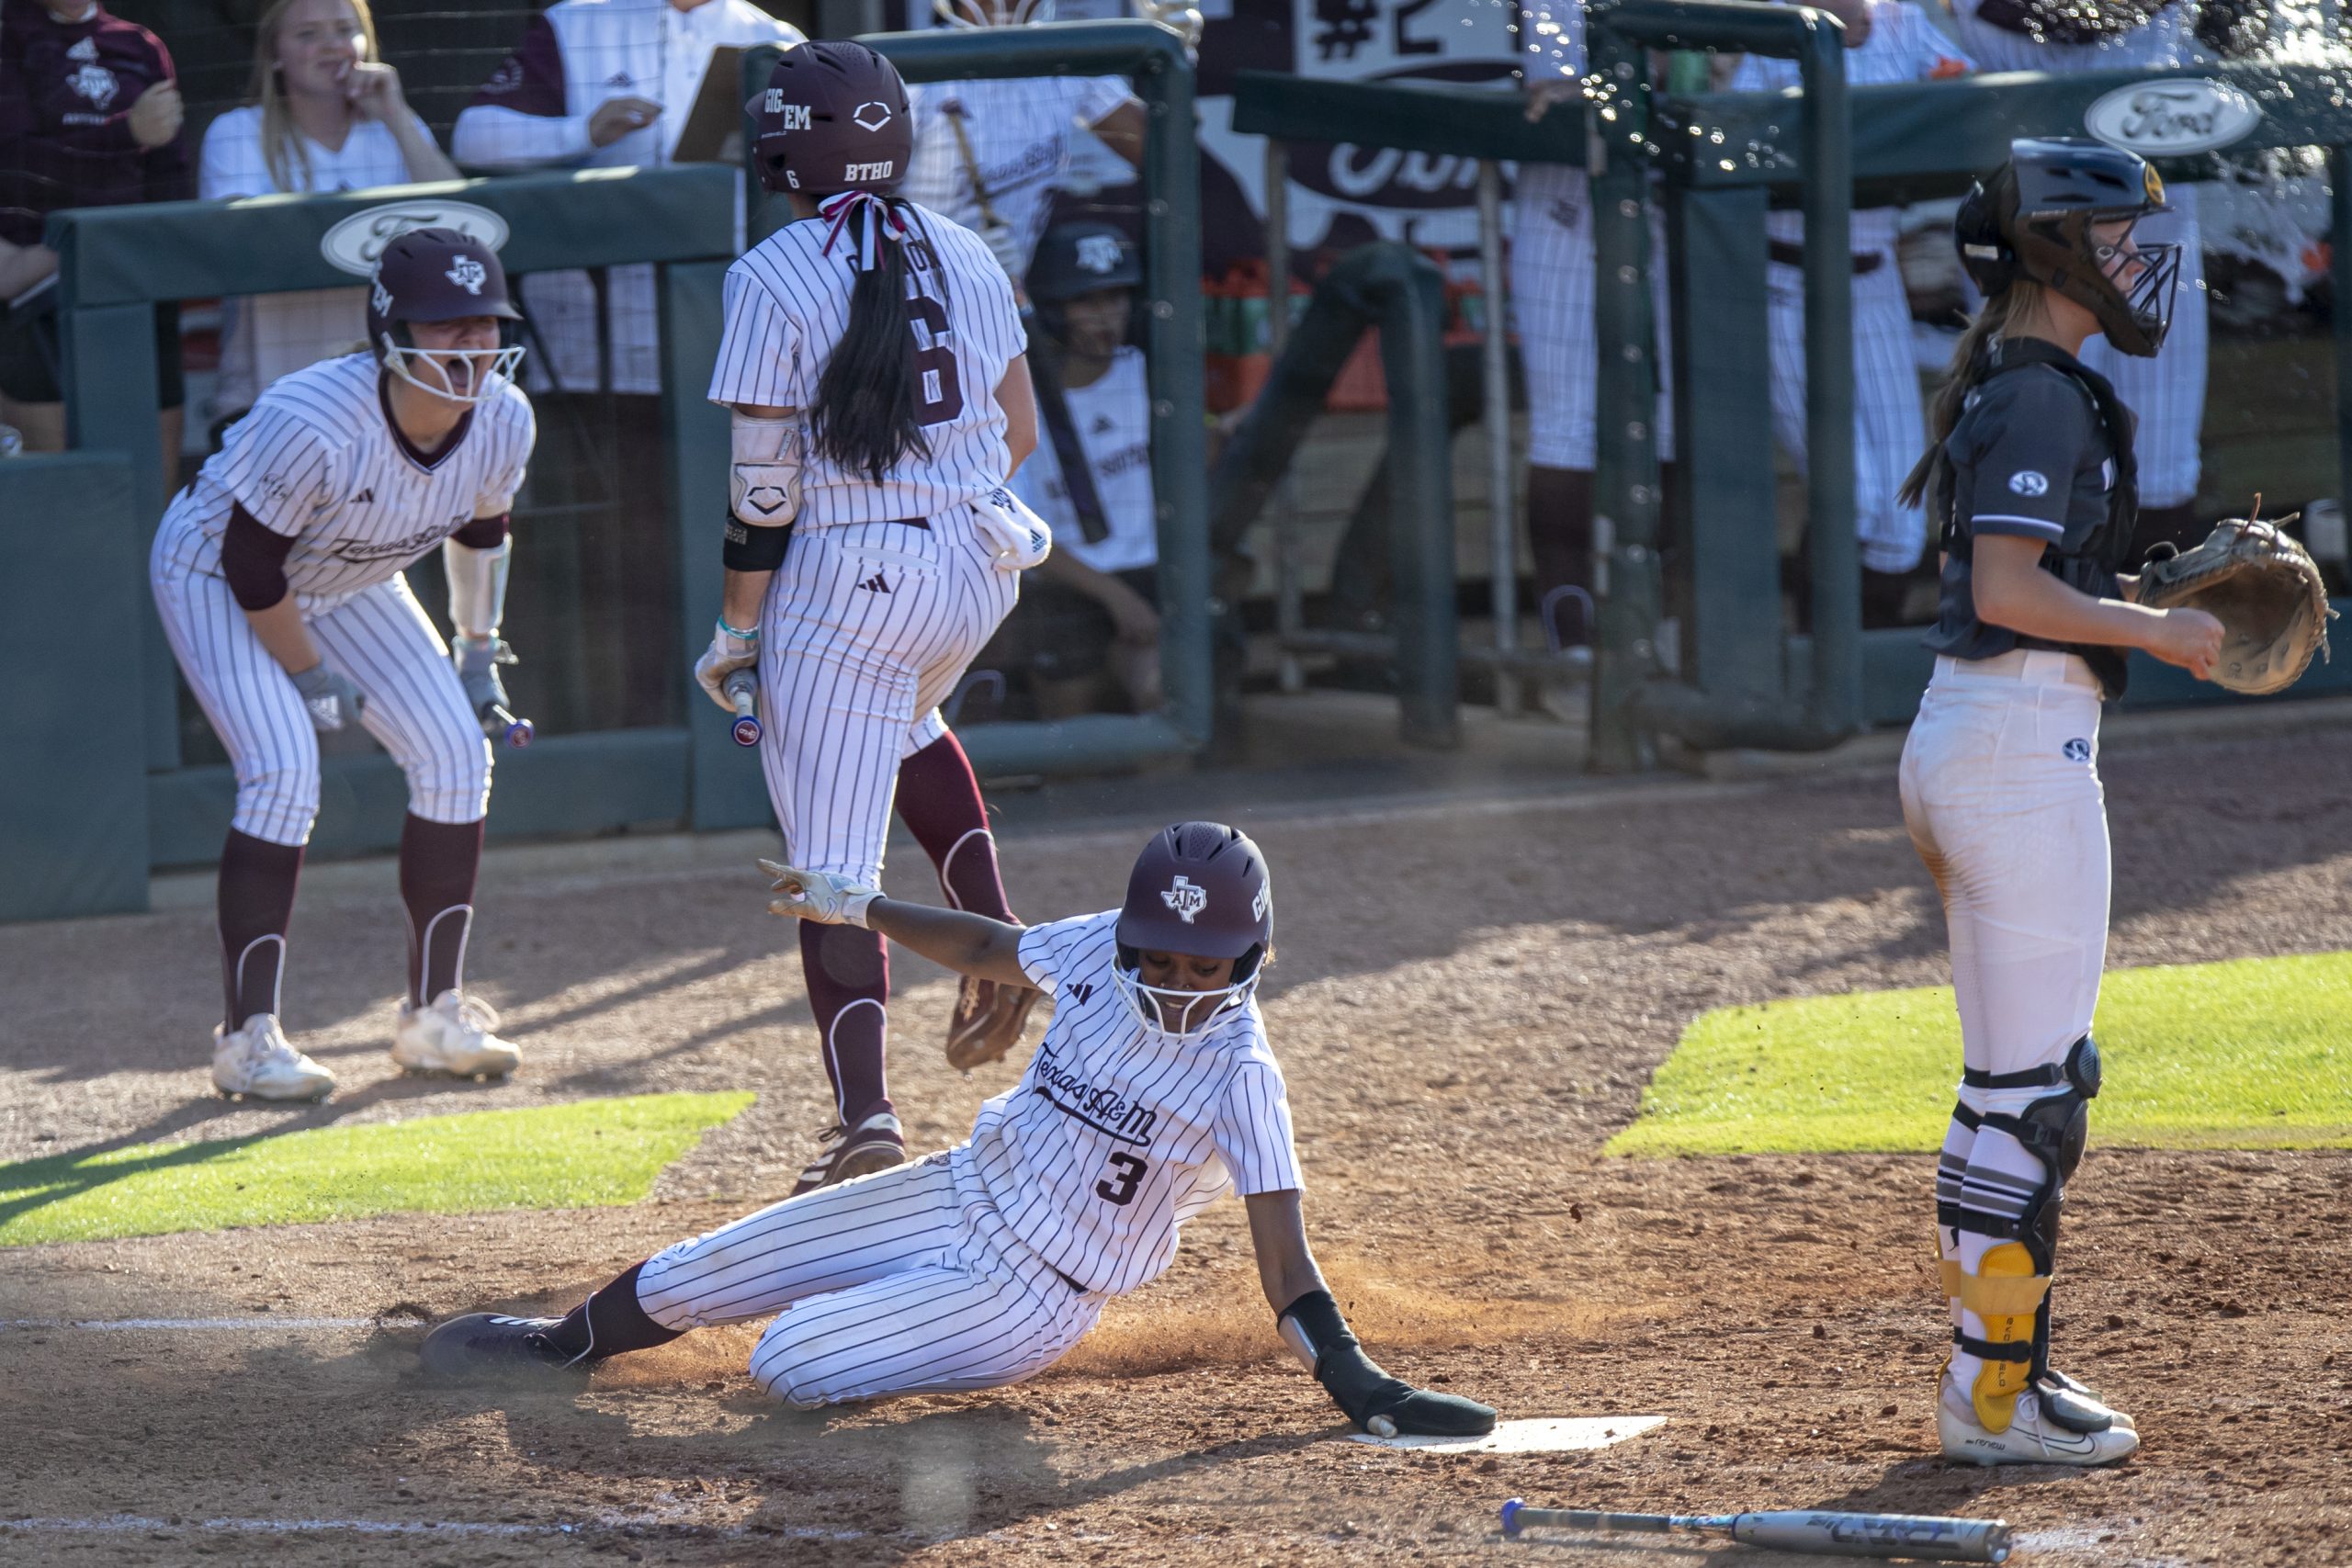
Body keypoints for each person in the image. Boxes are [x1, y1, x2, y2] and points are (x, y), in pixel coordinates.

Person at [418, 823, 1498, 1444]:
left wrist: (1363, 1386)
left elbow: (1286, 1267)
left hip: (1032, 1294)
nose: (1174, 980)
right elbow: (990, 942)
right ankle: (562, 1347)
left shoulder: (1241, 1078)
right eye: (1158, 957)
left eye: (1200, 964)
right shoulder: (1091, 953)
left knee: (789, 1358)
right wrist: (858, 904)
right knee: (695, 1274)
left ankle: (906, 1340)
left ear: (1249, 957)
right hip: (950, 1192)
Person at [1894, 138, 2222, 1466]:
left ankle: (1991, 1378)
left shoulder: (2023, 383)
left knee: (2003, 1090)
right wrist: (2159, 629)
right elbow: (2009, 590)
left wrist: (2134, 597)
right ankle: (1995, 1397)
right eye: (2121, 235)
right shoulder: (2042, 394)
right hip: (2018, 754)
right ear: (2059, 249)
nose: (2144, 261)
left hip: (1975, 743)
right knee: (2038, 1096)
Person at [695, 42, 1056, 1193]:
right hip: (977, 562)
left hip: (852, 579)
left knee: (832, 874)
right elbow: (1021, 438)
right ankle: (994, 938)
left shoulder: (772, 270)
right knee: (906, 715)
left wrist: (737, 627)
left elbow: (764, 487)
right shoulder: (964, 248)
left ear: (784, 146)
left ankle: (866, 1124)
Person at [148, 227, 537, 1100]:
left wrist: (477, 655)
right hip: (218, 570)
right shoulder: (313, 420)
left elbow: (482, 534)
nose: (472, 343)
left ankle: (434, 1016)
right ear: (393, 332)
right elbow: (252, 566)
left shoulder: (504, 417)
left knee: (453, 754)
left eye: (484, 321)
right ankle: (247, 1039)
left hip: (354, 573)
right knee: (284, 770)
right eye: (447, 324)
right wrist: (309, 673)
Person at [452, 0, 801, 726]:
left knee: (724, 555)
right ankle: (584, 739)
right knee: (595, 561)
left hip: (727, 353)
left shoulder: (772, 39)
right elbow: (473, 134)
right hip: (591, 356)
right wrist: (584, 130)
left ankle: (723, 728)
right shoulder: (577, 22)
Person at [1727, 0, 1971, 626]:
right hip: (1785, 278)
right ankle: (1820, 667)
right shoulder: (1765, 26)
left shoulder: (1901, 20)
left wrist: (1942, 92)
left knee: (1900, 515)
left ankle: (1859, 672)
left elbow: (1975, 98)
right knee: (1854, 499)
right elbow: (1731, 146)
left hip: (1873, 282)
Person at [1945, 0, 2209, 559]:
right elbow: (2058, 17)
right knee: (2036, 453)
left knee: (2161, 474)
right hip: (2034, 229)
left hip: (2156, 203)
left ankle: (2150, 634)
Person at [198, 0, 458, 432]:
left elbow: (457, 227)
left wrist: (396, 117)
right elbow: (241, 246)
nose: (331, 46)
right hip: (272, 396)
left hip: (392, 392)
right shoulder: (237, 131)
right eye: (307, 34)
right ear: (274, 54)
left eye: (344, 30)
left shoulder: (397, 127)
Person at [1510, 0, 1676, 656]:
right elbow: (1557, 89)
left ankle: (1657, 630)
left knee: (1668, 424)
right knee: (1566, 426)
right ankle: (1571, 643)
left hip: (1664, 202)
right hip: (1563, 210)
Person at [0, 0, 189, 470]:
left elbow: (171, 177)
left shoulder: (141, 45)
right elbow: (16, 164)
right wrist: (126, 132)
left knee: (150, 488)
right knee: (58, 495)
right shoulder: (8, 35)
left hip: (134, 291)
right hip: (34, 292)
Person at [999, 220, 1161, 717]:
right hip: (1064, 581)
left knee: (1159, 693)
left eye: (1116, 298)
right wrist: (1114, 598)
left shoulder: (1150, 374)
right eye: (1087, 302)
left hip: (1152, 572)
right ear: (1052, 308)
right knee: (1069, 712)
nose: (1106, 316)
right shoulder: (1016, 403)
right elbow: (1019, 532)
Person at [901, 0, 1146, 295]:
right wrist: (951, 251)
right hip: (916, 288)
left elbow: (1159, 150)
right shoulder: (913, 67)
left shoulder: (1064, 54)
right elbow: (861, 203)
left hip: (1005, 291)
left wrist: (1179, 61)